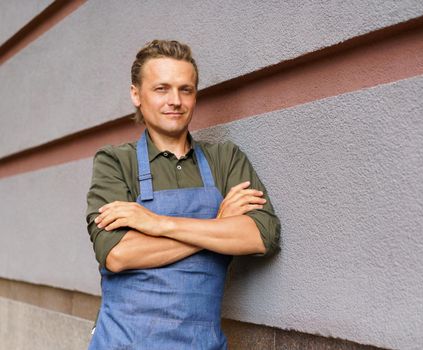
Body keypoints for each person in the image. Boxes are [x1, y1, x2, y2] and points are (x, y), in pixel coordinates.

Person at [85, 39, 280, 349]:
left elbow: (261, 235)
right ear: (136, 94)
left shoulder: (225, 159)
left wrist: (156, 223)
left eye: (185, 89)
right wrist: (217, 224)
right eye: (161, 89)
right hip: (124, 343)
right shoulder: (115, 162)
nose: (174, 100)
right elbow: (118, 254)